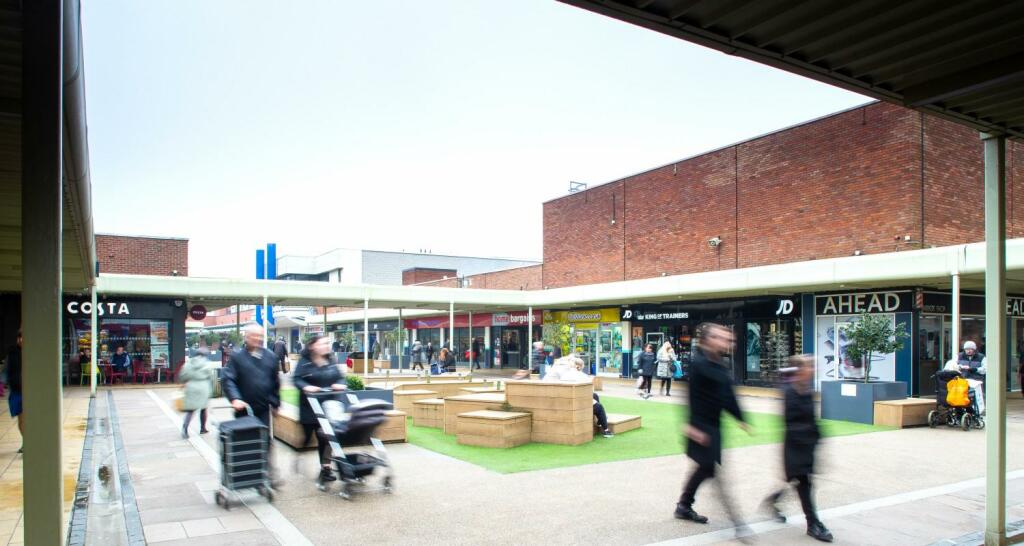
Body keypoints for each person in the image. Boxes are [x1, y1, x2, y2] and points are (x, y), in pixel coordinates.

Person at [676, 323, 751, 527]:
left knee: (707, 469)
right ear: (708, 340)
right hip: (701, 428)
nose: (728, 342)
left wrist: (741, 418)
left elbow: (727, 396)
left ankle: (683, 505)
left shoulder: (720, 365)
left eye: (728, 339)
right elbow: (690, 397)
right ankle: (738, 524)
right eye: (721, 337)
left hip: (714, 428)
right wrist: (691, 427)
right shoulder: (699, 364)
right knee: (713, 472)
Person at [764, 355, 833, 542]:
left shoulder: (807, 390)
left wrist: (818, 437)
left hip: (807, 445)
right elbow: (790, 422)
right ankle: (813, 523)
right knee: (804, 484)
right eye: (809, 366)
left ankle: (774, 500)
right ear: (799, 370)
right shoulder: (790, 392)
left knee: (797, 481)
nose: (812, 370)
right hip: (795, 447)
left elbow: (812, 419)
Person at [292, 334, 347, 486]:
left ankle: (326, 469)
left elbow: (340, 377)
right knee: (308, 437)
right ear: (313, 346)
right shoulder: (304, 362)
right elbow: (296, 379)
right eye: (322, 344)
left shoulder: (331, 360)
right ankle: (299, 456)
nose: (326, 346)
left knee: (325, 437)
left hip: (327, 406)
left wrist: (340, 384)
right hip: (310, 407)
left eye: (327, 343)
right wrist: (306, 387)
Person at [222, 324, 281, 457]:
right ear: (246, 337)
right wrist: (235, 398)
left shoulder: (270, 357)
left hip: (263, 407)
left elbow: (275, 382)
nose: (256, 338)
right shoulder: (237, 357)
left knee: (264, 438)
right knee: (245, 440)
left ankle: (265, 469)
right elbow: (228, 379)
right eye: (252, 335)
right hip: (244, 408)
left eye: (259, 335)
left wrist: (276, 403)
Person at [178, 345, 215, 438]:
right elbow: (211, 377)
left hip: (191, 387)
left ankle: (185, 429)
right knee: (203, 408)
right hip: (203, 387)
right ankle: (203, 428)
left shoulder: (189, 363)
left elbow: (182, 375)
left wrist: (183, 383)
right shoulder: (207, 363)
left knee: (191, 410)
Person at [957, 341, 986, 415]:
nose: (969, 351)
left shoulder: (981, 357)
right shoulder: (959, 356)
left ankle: (977, 412)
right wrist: (959, 367)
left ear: (974, 349)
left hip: (976, 381)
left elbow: (985, 369)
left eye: (971, 349)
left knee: (975, 397)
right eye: (967, 349)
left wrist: (975, 369)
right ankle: (963, 411)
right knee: (963, 396)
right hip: (963, 380)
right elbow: (953, 365)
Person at [6, 330, 22, 453]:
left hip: (29, 391)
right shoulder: (13, 352)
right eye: (20, 337)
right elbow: (9, 370)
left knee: (25, 418)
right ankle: (26, 440)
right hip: (17, 390)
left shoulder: (33, 352)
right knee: (21, 419)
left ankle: (27, 442)